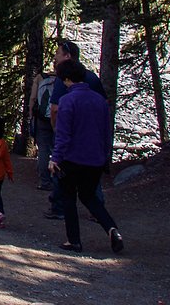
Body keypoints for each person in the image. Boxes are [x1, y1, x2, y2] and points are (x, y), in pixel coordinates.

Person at [49, 58, 124, 254]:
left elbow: (63, 134)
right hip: (95, 159)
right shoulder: (99, 101)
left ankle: (73, 241)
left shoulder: (67, 101)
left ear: (66, 80)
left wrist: (55, 158)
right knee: (90, 197)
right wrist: (105, 155)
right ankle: (111, 228)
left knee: (68, 198)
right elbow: (107, 133)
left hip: (72, 159)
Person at [45, 38, 107, 220]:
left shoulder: (63, 78)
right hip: (92, 133)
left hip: (70, 131)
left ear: (68, 56)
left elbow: (55, 108)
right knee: (92, 169)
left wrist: (56, 128)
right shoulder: (92, 77)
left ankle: (59, 207)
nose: (55, 58)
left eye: (57, 54)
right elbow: (104, 104)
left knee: (60, 168)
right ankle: (97, 208)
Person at [30, 68, 57, 190]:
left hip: (42, 118)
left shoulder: (40, 78)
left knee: (43, 149)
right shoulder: (64, 78)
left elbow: (33, 98)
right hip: (58, 117)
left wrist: (31, 114)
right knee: (58, 146)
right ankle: (58, 178)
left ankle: (44, 181)